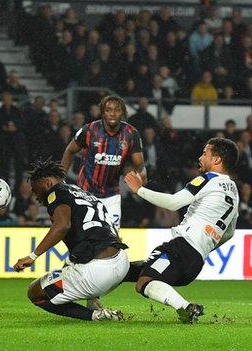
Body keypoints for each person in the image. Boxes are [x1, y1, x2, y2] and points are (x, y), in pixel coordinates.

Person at [124, 138, 239, 324]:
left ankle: (186, 308)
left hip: (182, 247)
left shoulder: (208, 179)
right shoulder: (234, 191)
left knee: (143, 281)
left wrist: (140, 190)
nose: (200, 158)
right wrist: (206, 244)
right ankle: (101, 290)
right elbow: (229, 233)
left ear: (217, 160)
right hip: (196, 260)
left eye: (205, 153)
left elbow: (174, 202)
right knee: (134, 270)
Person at [13, 158, 129, 321]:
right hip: (121, 262)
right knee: (70, 263)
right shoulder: (85, 194)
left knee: (35, 292)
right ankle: (94, 301)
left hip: (97, 273)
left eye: (35, 190)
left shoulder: (55, 193)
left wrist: (33, 256)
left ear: (47, 183)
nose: (36, 196)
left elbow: (62, 226)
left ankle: (96, 316)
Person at [61, 95, 146, 230]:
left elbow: (140, 165)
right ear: (102, 112)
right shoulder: (89, 130)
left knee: (112, 238)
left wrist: (142, 179)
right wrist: (61, 179)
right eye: (108, 110)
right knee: (84, 237)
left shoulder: (131, 133)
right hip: (85, 193)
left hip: (112, 196)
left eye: (117, 110)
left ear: (123, 112)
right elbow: (69, 150)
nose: (112, 113)